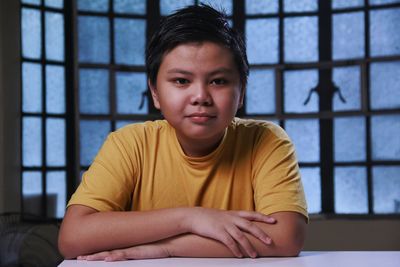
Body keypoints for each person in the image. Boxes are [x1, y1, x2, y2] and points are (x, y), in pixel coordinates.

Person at [58, 4, 308, 261]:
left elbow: (285, 238)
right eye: (181, 81)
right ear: (154, 91)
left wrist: (167, 248)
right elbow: (73, 238)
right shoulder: (129, 144)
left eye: (218, 81)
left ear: (241, 91)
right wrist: (190, 218)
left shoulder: (266, 140)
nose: (200, 96)